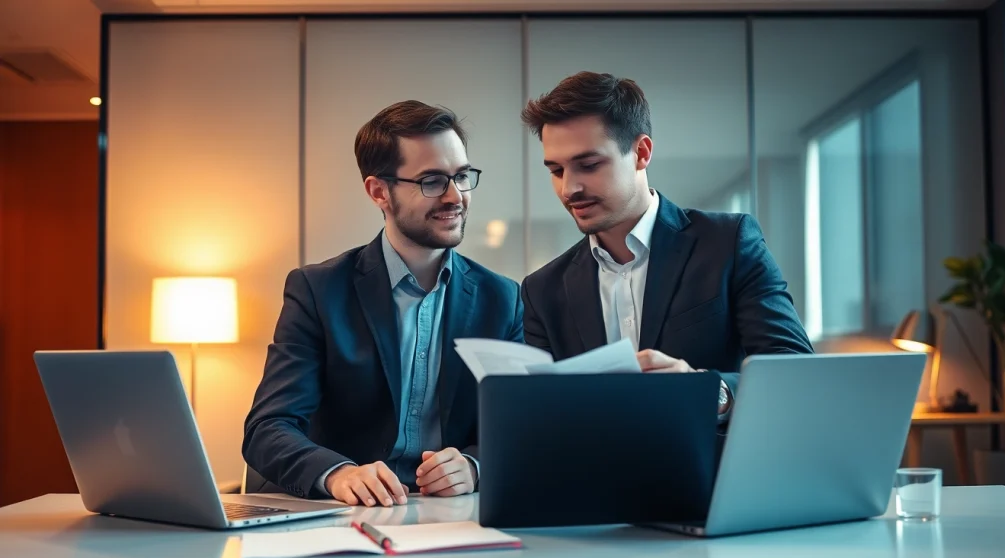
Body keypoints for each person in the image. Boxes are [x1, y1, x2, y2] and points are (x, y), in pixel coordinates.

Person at [243, 100, 523, 507]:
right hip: (344, 517)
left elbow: (523, 426)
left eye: (461, 176)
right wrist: (338, 474)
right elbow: (268, 429)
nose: (454, 196)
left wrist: (474, 464)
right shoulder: (318, 291)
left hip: (452, 519)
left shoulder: (503, 299)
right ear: (379, 192)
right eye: (431, 181)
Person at [519, 72, 813, 415]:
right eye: (556, 170)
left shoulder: (727, 244)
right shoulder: (542, 290)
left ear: (641, 152)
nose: (569, 189)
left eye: (588, 165)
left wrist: (708, 390)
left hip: (710, 467)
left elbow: (795, 371)